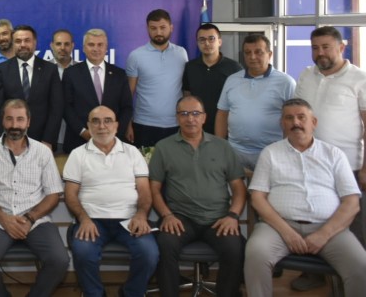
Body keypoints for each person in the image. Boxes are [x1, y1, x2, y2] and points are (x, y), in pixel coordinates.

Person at [244, 98, 366, 297]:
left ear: (313, 122)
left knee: (360, 266)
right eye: (289, 118)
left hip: (329, 228)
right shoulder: (270, 153)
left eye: (301, 117)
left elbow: (352, 203)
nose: (296, 123)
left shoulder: (334, 154)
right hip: (278, 227)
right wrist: (287, 232)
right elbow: (257, 198)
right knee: (256, 254)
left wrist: (323, 234)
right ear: (282, 124)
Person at [0, 99, 69, 297]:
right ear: (2, 121)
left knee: (59, 260)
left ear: (28, 122)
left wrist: (30, 218)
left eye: (20, 119)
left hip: (36, 221)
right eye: (9, 119)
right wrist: (4, 219)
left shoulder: (43, 152)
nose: (14, 125)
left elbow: (53, 194)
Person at [149, 95, 246, 297]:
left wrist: (233, 216)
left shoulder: (223, 146)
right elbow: (154, 188)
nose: (190, 118)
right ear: (177, 118)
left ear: (204, 117)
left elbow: (238, 188)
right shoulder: (164, 147)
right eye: (184, 114)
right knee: (164, 245)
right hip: (180, 218)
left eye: (195, 113)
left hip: (218, 219)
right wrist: (167, 215)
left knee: (235, 248)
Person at [293, 26, 366, 291]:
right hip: (309, 163)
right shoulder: (306, 75)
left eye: (326, 47)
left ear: (341, 47)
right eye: (315, 47)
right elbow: (296, 117)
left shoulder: (359, 78)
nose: (320, 52)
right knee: (310, 217)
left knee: (352, 224)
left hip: (348, 165)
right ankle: (312, 273)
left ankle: (354, 279)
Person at [64, 105, 158, 297]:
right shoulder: (77, 154)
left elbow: (144, 191)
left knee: (149, 253)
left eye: (107, 121)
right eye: (96, 121)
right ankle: (95, 294)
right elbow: (70, 195)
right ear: (89, 126)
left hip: (130, 219)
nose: (102, 126)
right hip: (92, 220)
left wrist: (141, 215)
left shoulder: (132, 152)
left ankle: (131, 293)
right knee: (83, 252)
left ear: (116, 125)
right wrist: (84, 219)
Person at [216, 34, 296, 169]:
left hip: (272, 152)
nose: (252, 57)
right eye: (248, 53)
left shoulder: (286, 82)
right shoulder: (232, 80)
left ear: (270, 54)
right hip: (235, 151)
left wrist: (287, 150)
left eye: (258, 52)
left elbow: (293, 119)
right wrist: (219, 146)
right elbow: (222, 114)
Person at [0, 25, 63, 148]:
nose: (22, 45)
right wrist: (4, 138)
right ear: (13, 44)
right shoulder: (1, 70)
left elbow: (56, 107)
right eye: (18, 41)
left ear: (35, 43)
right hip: (11, 138)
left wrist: (48, 140)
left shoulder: (50, 69)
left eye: (27, 40)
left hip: (42, 141)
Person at [63, 28, 133, 154]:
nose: (96, 49)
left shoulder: (119, 74)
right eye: (91, 45)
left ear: (106, 48)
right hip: (80, 141)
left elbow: (126, 107)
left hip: (113, 141)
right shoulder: (70, 73)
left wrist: (114, 132)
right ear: (84, 48)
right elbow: (66, 107)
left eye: (100, 45)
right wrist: (83, 132)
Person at [126, 9, 188, 147]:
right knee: (144, 162)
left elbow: (186, 90)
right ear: (147, 29)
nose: (158, 32)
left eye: (162, 27)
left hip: (176, 124)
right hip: (144, 125)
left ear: (171, 27)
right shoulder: (136, 56)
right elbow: (128, 93)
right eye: (153, 28)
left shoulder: (181, 53)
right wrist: (127, 123)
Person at [181, 23, 242, 134]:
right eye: (202, 40)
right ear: (197, 43)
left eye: (211, 39)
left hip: (227, 128)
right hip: (197, 128)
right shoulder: (190, 67)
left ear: (220, 42)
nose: (207, 43)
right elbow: (187, 95)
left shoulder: (234, 68)